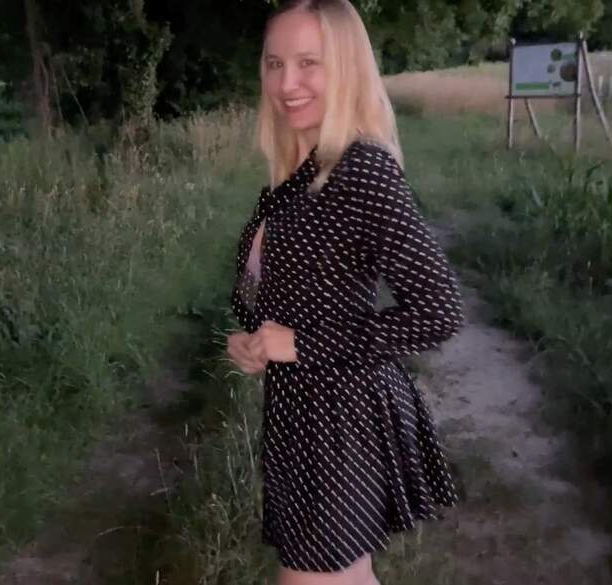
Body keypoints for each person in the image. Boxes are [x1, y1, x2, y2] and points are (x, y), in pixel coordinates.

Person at [225, 1, 465, 584]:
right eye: (275, 63)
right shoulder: (302, 171)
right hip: (301, 410)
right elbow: (286, 293)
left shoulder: (362, 170)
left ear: (346, 68)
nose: (287, 83)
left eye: (309, 62)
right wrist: (254, 340)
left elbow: (439, 311)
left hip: (339, 420)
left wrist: (302, 344)